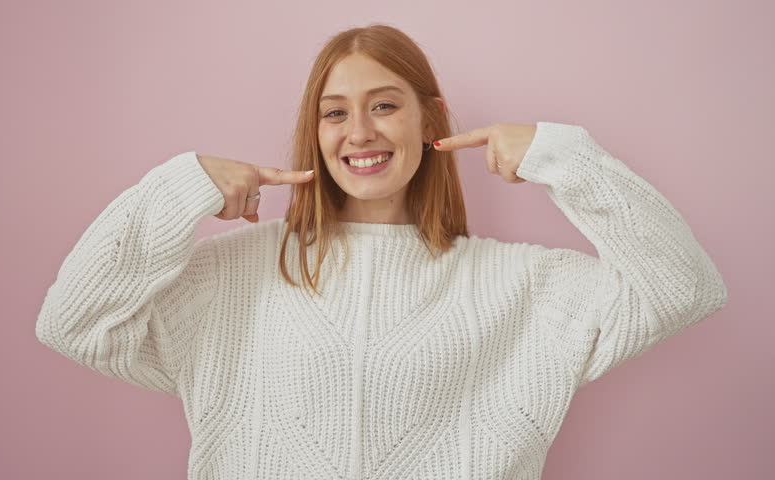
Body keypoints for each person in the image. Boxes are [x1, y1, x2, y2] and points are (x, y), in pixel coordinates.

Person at [35, 24, 728, 480]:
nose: (359, 132)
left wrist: (565, 158)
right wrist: (177, 188)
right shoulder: (232, 276)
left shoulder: (520, 285)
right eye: (335, 111)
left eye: (385, 105)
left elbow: (684, 289)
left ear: (429, 119)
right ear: (316, 131)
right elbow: (72, 324)